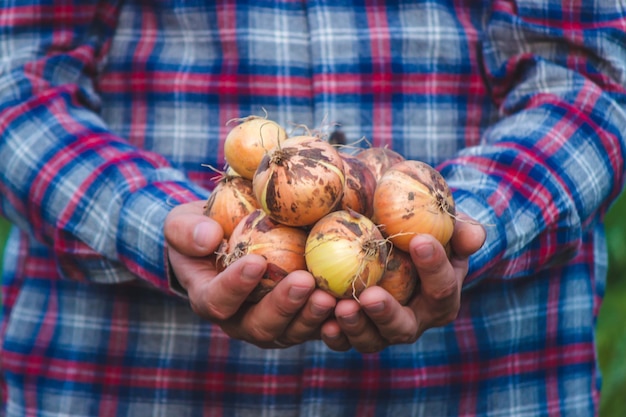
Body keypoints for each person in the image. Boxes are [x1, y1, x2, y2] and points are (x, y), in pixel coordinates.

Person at [0, 1, 625, 416]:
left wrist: (470, 225)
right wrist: (155, 224)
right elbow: (17, 75)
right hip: (119, 374)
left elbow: (590, 80)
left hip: (485, 376)